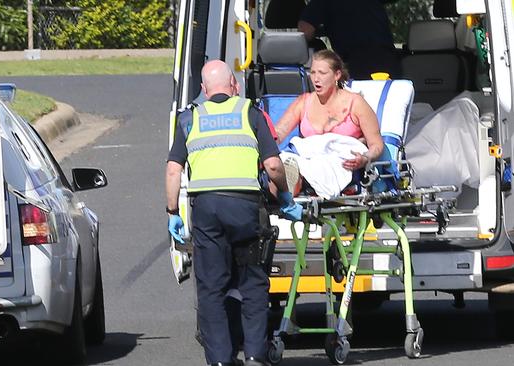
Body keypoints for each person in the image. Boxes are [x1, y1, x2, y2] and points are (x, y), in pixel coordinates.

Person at [166, 60, 302, 366]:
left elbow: (174, 169)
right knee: (253, 283)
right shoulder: (250, 113)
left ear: (203, 89)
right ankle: (255, 354)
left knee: (212, 288)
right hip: (246, 210)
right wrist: (284, 196)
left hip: (207, 211)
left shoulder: (190, 118)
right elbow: (273, 165)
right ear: (234, 86)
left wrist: (173, 211)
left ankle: (220, 360)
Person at [274, 50, 384, 194]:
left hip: (343, 164)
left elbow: (376, 144)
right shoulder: (304, 102)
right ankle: (287, 182)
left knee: (311, 168)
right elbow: (278, 133)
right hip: (308, 159)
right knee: (279, 165)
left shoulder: (356, 103)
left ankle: (290, 185)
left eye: (322, 73)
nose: (316, 79)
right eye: (313, 73)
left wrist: (364, 158)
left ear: (337, 75)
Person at [297, 0, 401, 79]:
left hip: (357, 63)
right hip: (388, 60)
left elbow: (305, 31)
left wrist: (322, 31)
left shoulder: (323, 2)